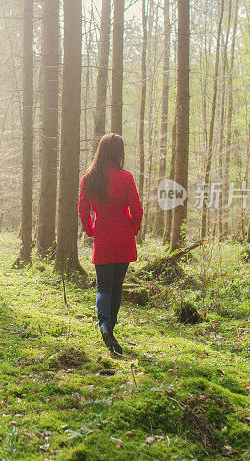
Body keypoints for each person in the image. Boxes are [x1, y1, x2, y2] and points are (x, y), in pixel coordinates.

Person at [78, 133, 143, 356]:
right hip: (123, 236)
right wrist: (132, 231)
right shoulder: (126, 177)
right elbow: (137, 209)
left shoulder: (88, 177)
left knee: (103, 287)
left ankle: (105, 325)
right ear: (118, 153)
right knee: (116, 287)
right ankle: (110, 329)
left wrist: (90, 230)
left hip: (103, 235)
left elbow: (83, 209)